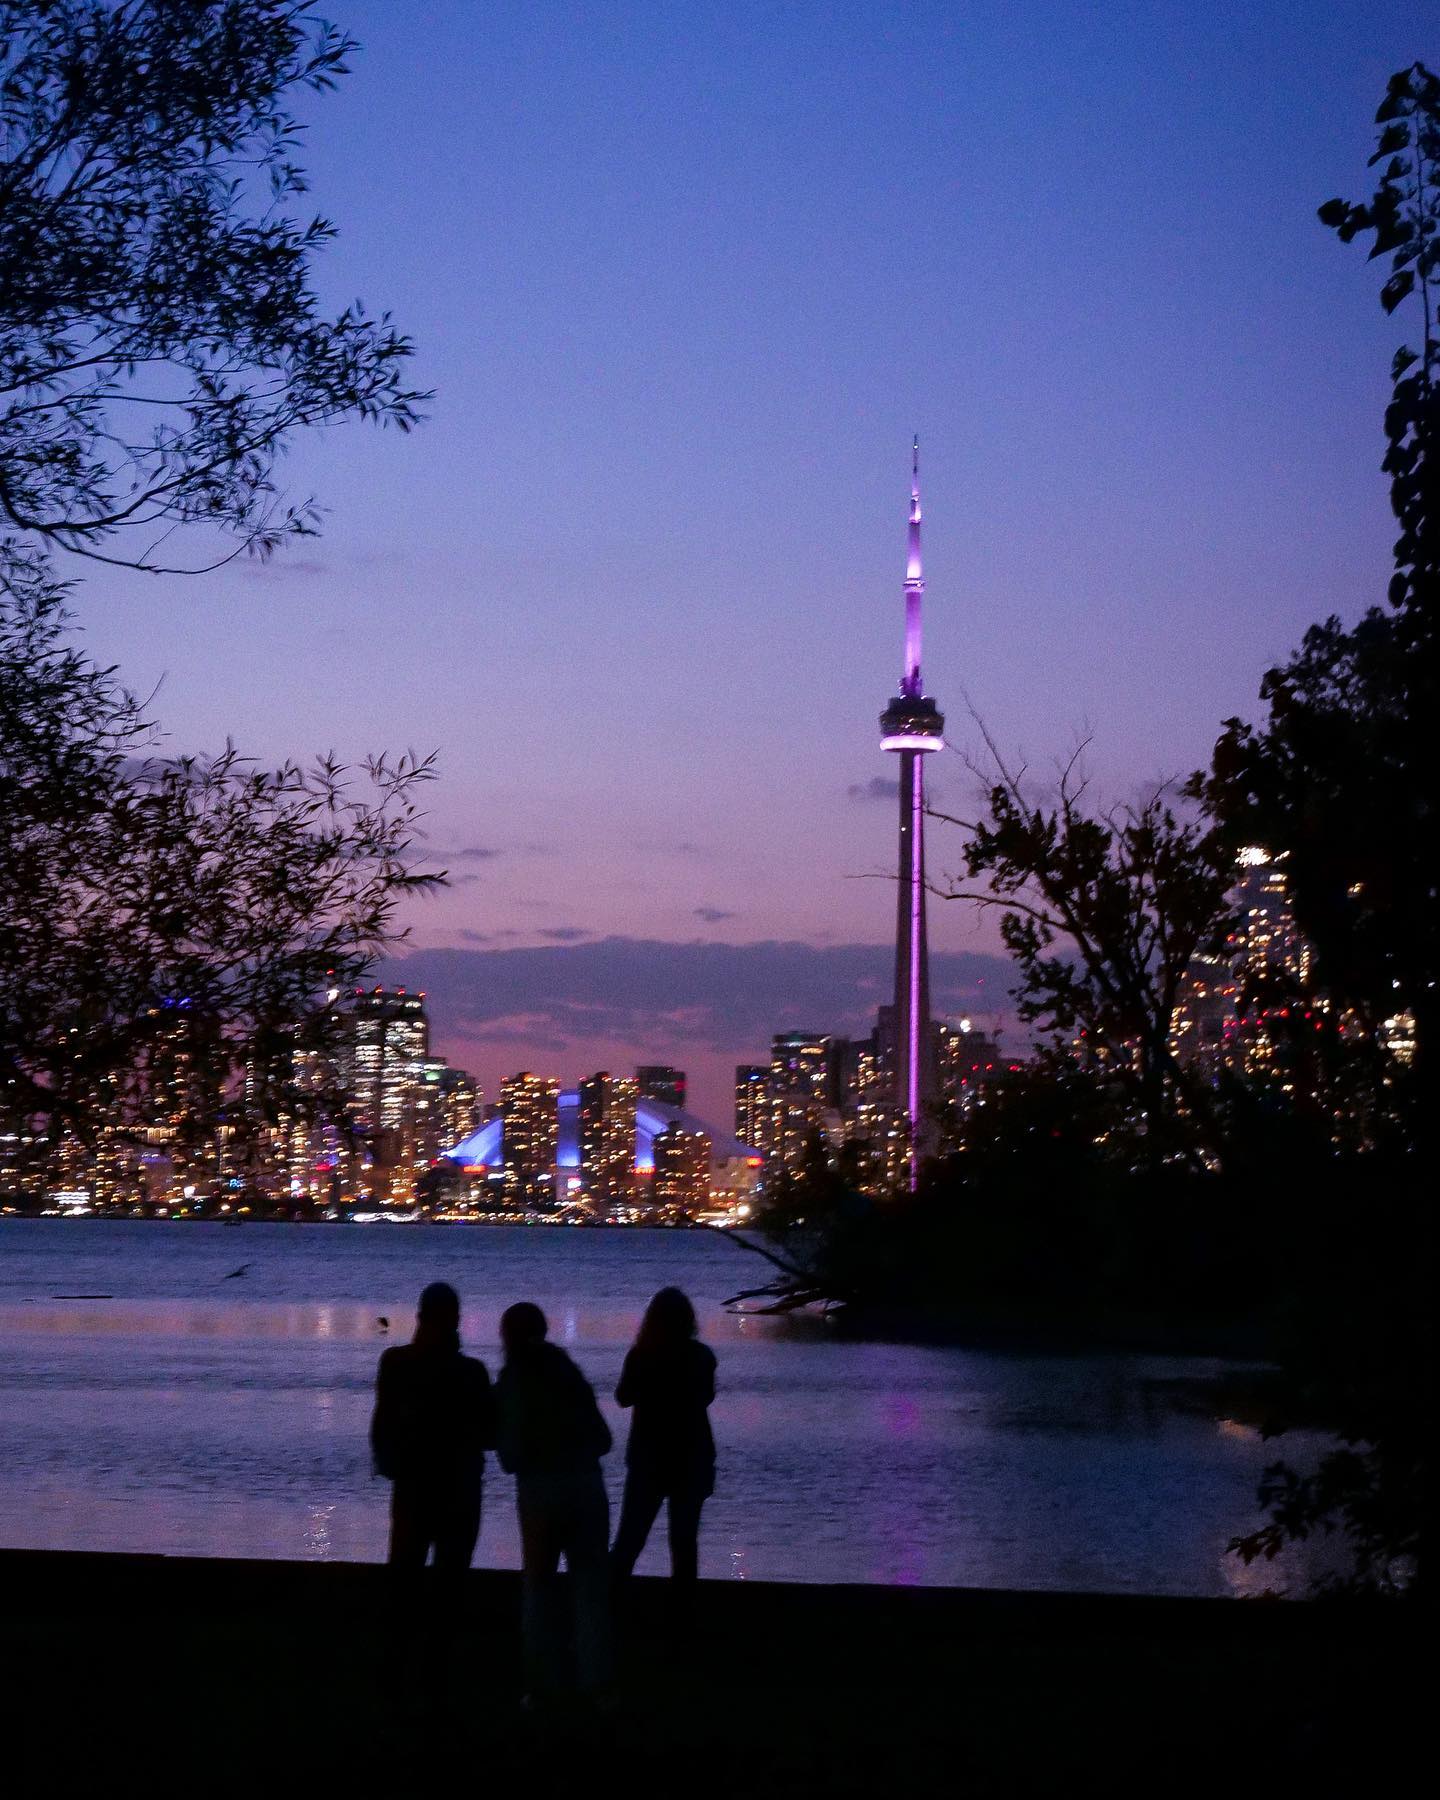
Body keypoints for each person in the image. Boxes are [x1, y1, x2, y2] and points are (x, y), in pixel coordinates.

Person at [494, 1301, 613, 1704]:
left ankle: (541, 1684)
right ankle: (593, 1683)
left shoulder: (513, 1379)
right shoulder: (569, 1372)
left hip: (541, 1489)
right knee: (591, 1588)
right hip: (586, 1484)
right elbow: (604, 1439)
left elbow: (509, 1457)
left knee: (538, 1586)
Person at [610, 1287, 716, 1627]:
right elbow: (705, 1398)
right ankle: (682, 1615)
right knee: (684, 1541)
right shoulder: (701, 1357)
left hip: (648, 1457)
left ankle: (608, 1607)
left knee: (630, 1538)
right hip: (692, 1457)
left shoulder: (641, 1356)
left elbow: (623, 1397)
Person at [370, 1281, 494, 1571]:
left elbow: (382, 1422)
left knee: (404, 1574)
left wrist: (387, 1460)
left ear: (420, 1317)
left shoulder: (395, 1363)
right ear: (456, 1321)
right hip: (461, 1490)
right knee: (451, 1580)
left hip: (412, 1487)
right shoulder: (473, 1373)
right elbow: (489, 1435)